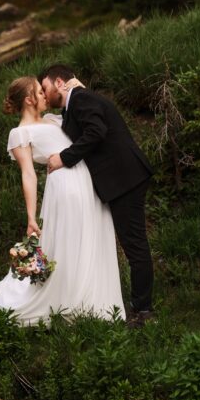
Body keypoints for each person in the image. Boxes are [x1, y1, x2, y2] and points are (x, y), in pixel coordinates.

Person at [0, 76, 125, 333]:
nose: (45, 95)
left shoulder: (54, 120)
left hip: (87, 182)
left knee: (91, 237)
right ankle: (72, 302)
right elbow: (28, 175)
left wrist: (80, 91)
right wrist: (31, 217)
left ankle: (95, 302)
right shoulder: (20, 134)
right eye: (40, 92)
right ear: (29, 99)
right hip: (65, 188)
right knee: (70, 242)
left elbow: (86, 123)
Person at [39, 64, 154, 325]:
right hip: (121, 179)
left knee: (135, 245)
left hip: (126, 179)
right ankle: (139, 306)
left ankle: (143, 311)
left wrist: (63, 159)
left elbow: (96, 131)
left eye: (45, 89)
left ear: (59, 82)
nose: (45, 95)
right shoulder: (74, 104)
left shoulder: (81, 98)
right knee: (133, 244)